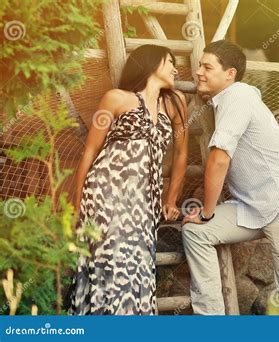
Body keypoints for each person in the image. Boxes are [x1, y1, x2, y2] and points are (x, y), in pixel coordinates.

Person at [182, 40, 279, 315]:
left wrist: (207, 211)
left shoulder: (238, 96)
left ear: (229, 74)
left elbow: (220, 159)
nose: (199, 72)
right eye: (199, 66)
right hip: (254, 208)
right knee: (196, 232)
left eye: (207, 67)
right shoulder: (224, 102)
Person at [69, 44, 188, 315]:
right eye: (170, 61)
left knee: (139, 264)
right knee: (108, 263)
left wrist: (171, 198)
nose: (175, 67)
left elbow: (182, 153)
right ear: (151, 63)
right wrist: (77, 202)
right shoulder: (116, 98)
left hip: (145, 199)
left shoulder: (175, 102)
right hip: (105, 191)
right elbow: (91, 150)